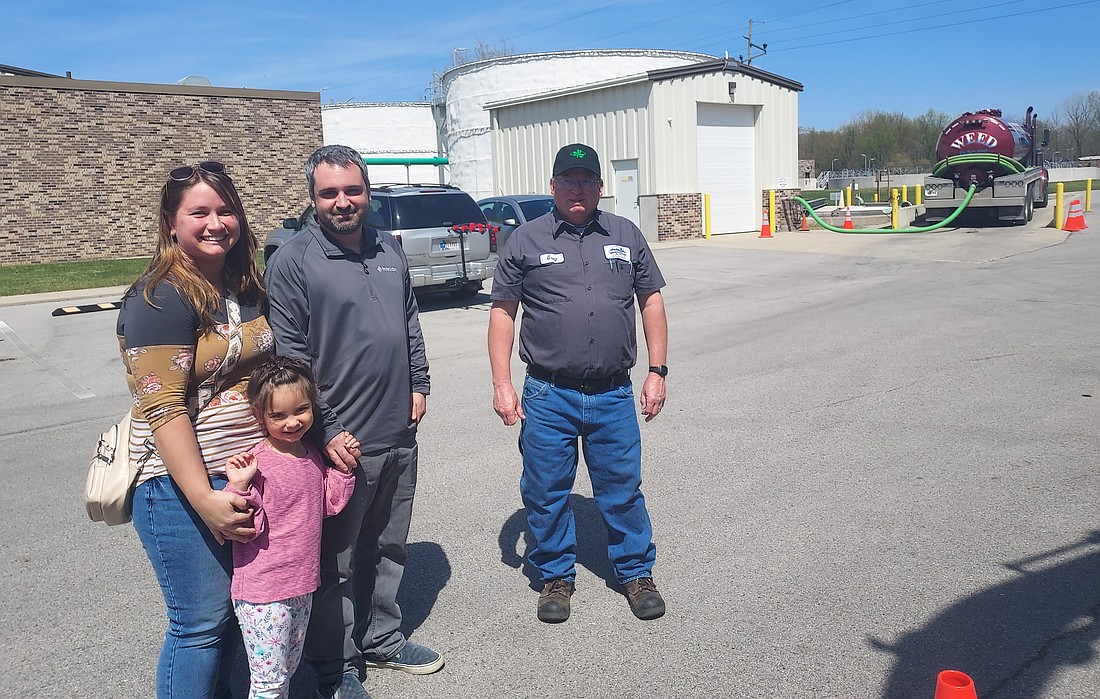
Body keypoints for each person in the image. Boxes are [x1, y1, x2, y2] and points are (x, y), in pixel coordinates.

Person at [265, 144, 441, 699]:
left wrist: (420, 381)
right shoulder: (293, 260)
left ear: (367, 191)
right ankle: (333, 663)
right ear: (313, 198)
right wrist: (330, 427)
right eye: (329, 193)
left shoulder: (387, 247)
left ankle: (382, 637)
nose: (343, 202)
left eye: (353, 190)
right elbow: (293, 358)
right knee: (334, 561)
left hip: (399, 431)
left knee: (389, 545)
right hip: (340, 442)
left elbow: (408, 319)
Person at [487, 143, 670, 624]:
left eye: (587, 179)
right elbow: (503, 313)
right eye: (568, 179)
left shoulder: (626, 235)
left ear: (600, 187)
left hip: (613, 392)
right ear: (552, 186)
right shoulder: (524, 241)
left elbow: (650, 301)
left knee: (622, 488)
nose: (577, 187)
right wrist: (502, 383)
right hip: (548, 394)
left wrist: (657, 370)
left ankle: (634, 572)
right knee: (545, 490)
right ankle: (555, 576)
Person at [118, 160, 273, 698]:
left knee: (235, 613)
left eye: (225, 209)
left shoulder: (242, 287)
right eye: (199, 212)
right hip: (176, 484)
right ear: (171, 224)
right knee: (200, 623)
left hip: (236, 477)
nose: (215, 222)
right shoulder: (157, 298)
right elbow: (164, 410)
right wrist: (205, 498)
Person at [223, 356, 358, 699]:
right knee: (268, 683)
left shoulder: (311, 454)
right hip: (263, 592)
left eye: (300, 410)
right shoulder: (257, 463)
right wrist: (239, 485)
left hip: (301, 583)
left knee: (286, 671)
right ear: (259, 416)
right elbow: (240, 523)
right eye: (278, 416)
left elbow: (327, 503)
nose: (292, 422)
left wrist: (343, 470)